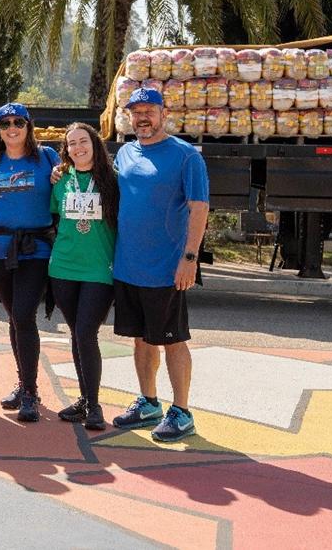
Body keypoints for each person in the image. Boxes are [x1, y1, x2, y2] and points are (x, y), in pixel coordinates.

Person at [110, 87, 209, 442]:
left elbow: (199, 208)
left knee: (173, 341)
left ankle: (182, 412)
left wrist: (189, 259)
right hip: (127, 267)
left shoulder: (185, 156)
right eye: (136, 112)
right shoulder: (124, 153)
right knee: (140, 340)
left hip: (167, 268)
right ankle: (149, 403)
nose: (142, 118)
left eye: (149, 110)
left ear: (163, 113)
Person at [0, 102, 59, 423]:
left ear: (29, 126)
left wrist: (61, 173)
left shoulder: (47, 158)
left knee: (24, 314)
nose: (13, 128)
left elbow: (72, 177)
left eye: (19, 122)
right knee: (14, 317)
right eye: (6, 123)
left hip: (35, 249)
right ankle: (25, 382)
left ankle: (29, 392)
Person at [48, 122, 118, 431]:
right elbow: (54, 219)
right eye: (71, 143)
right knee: (76, 333)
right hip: (63, 268)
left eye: (83, 141)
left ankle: (94, 404)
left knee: (87, 333)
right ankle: (84, 399)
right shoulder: (61, 180)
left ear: (95, 144)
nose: (78, 147)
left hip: (99, 269)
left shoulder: (113, 182)